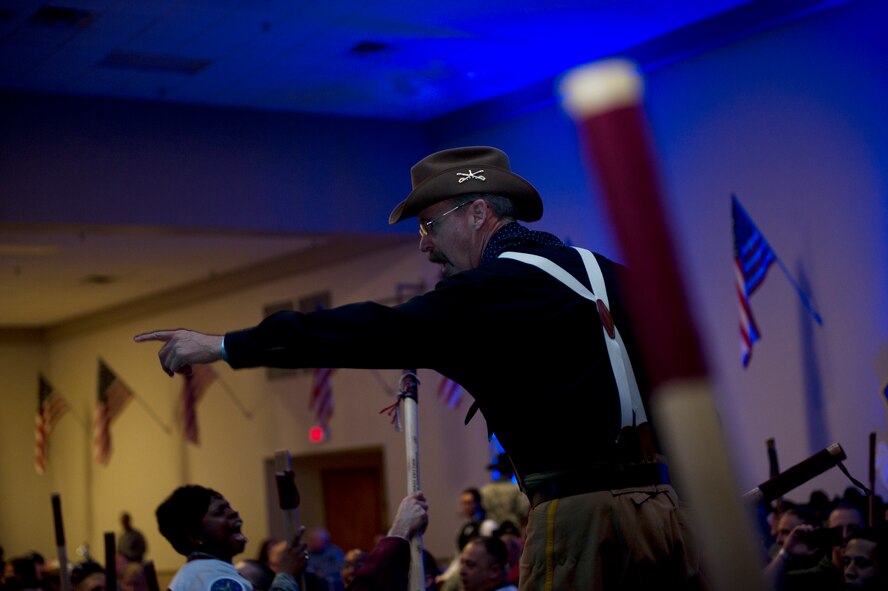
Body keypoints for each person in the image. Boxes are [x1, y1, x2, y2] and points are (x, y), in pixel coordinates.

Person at [135, 145, 704, 591]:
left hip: (582, 522)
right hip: (668, 512)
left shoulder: (488, 292)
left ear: (478, 212)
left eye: (430, 224)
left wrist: (226, 345)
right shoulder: (611, 274)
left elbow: (362, 331)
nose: (425, 246)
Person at [155, 484, 308, 591]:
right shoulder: (208, 575)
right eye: (220, 512)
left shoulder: (204, 571)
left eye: (229, 507)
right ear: (196, 536)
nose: (234, 512)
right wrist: (287, 574)